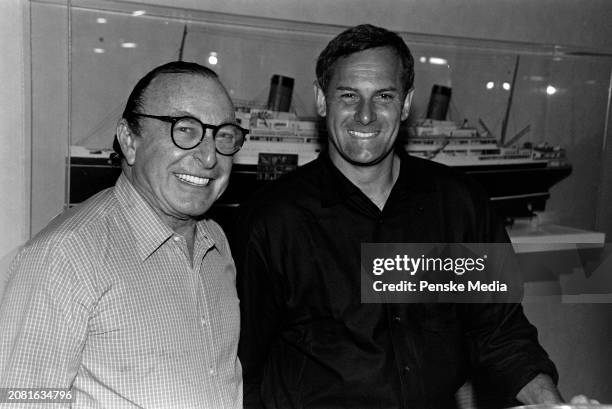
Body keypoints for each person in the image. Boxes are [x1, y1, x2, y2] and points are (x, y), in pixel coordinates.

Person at [231, 25, 581, 409]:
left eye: (383, 96)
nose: (365, 116)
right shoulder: (273, 219)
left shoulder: (458, 205)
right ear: (320, 99)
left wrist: (554, 406)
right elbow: (245, 365)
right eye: (348, 95)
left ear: (407, 103)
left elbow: (498, 332)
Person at [0, 61, 248, 408]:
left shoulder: (216, 242)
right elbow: (21, 399)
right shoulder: (64, 256)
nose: (209, 157)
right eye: (185, 130)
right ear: (129, 140)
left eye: (223, 136)